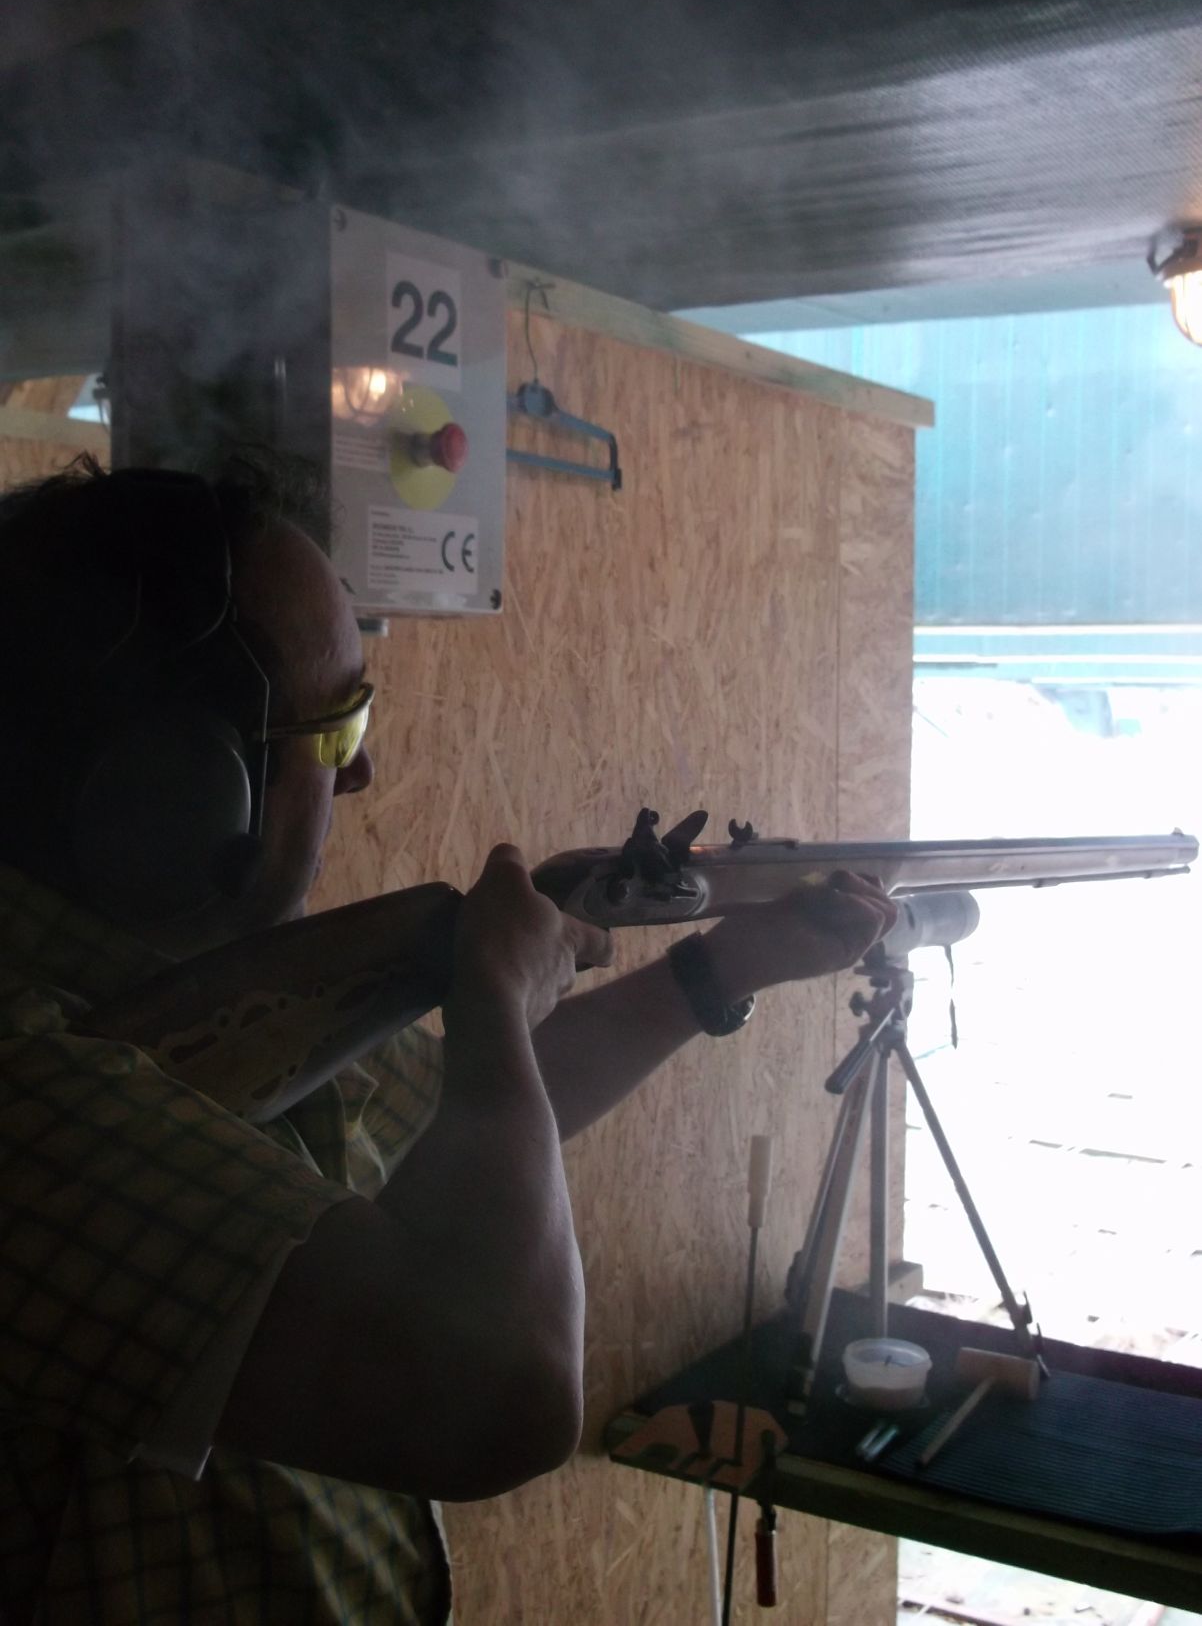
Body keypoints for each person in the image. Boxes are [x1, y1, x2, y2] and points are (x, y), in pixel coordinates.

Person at [0, 453, 896, 1625]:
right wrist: (491, 989)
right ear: (177, 784)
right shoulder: (28, 1080)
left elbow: (466, 1119)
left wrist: (721, 967)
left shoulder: (178, 1000)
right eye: (339, 727)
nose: (363, 771)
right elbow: (498, 1402)